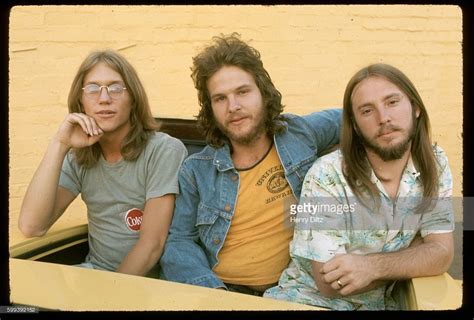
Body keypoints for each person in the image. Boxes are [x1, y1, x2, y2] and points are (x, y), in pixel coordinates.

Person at [160, 33, 341, 295]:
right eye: (220, 98)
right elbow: (179, 242)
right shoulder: (196, 170)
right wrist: (213, 293)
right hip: (223, 290)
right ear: (210, 108)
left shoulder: (299, 133)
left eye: (242, 92)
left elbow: (356, 115)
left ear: (262, 93)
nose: (233, 106)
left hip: (293, 288)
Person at [263, 63, 454, 310]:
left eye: (392, 102)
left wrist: (370, 267)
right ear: (354, 124)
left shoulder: (436, 163)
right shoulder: (324, 175)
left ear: (416, 107)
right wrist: (415, 253)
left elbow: (442, 254)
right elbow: (330, 283)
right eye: (367, 111)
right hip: (309, 301)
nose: (383, 118)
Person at [18, 50, 187, 277]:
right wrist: (59, 144)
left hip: (151, 283)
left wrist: (108, 299)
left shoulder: (163, 150)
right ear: (81, 100)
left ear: (133, 98)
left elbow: (152, 245)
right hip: (94, 275)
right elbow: (32, 226)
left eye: (116, 88)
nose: (104, 98)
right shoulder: (79, 155)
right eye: (93, 88)